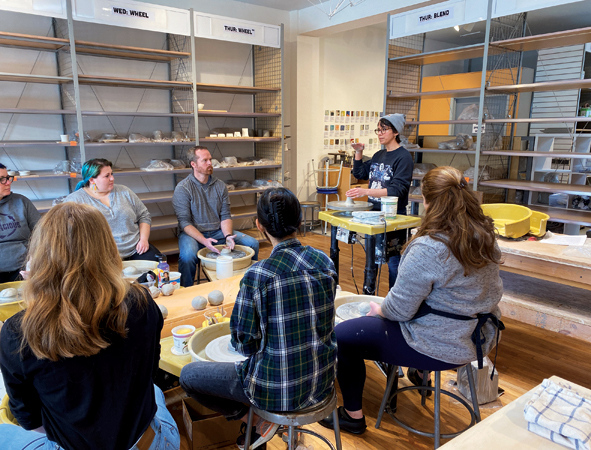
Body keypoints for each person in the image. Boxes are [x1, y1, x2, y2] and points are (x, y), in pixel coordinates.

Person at [320, 166, 503, 435]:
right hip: (479, 338)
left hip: (442, 344)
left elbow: (399, 310)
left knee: (344, 335)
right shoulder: (485, 236)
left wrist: (378, 309)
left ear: (427, 202)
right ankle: (420, 374)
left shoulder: (430, 246)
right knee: (436, 306)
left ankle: (352, 415)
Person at [0, 203, 179, 450]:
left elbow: (29, 419)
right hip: (148, 442)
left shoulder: (19, 330)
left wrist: (41, 291)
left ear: (39, 257)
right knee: (154, 391)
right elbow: (149, 372)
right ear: (108, 249)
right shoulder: (142, 301)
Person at [179, 187, 338, 449]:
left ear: (259, 226)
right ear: (299, 221)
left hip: (275, 392)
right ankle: (258, 423)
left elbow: (243, 345)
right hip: (322, 381)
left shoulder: (258, 275)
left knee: (189, 376)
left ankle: (253, 421)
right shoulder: (324, 262)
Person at [172, 146, 259, 287]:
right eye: (205, 160)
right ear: (193, 164)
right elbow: (185, 223)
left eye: (210, 160)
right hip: (193, 234)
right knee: (187, 257)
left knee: (252, 244)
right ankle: (186, 291)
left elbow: (225, 215)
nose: (210, 163)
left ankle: (247, 286)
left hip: (218, 232)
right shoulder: (183, 188)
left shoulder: (220, 186)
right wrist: (204, 241)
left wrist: (227, 236)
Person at [347, 113, 414, 289]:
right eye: (378, 129)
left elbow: (397, 190)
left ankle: (395, 300)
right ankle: (369, 292)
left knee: (393, 260)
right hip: (374, 214)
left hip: (394, 216)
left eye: (384, 129)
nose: (380, 133)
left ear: (396, 131)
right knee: (372, 259)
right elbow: (360, 173)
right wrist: (359, 152)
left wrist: (365, 191)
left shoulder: (404, 157)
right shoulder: (378, 155)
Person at [63, 158, 158, 261]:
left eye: (112, 174)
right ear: (91, 180)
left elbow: (144, 216)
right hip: (101, 257)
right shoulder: (75, 200)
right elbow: (67, 232)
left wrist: (143, 240)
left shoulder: (124, 191)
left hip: (136, 250)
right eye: (107, 176)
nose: (112, 178)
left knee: (158, 270)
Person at [0, 161, 40, 287]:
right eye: (1, 179)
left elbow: (42, 235)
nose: (8, 183)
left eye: (8, 178)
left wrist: (35, 260)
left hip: (25, 271)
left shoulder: (21, 202)